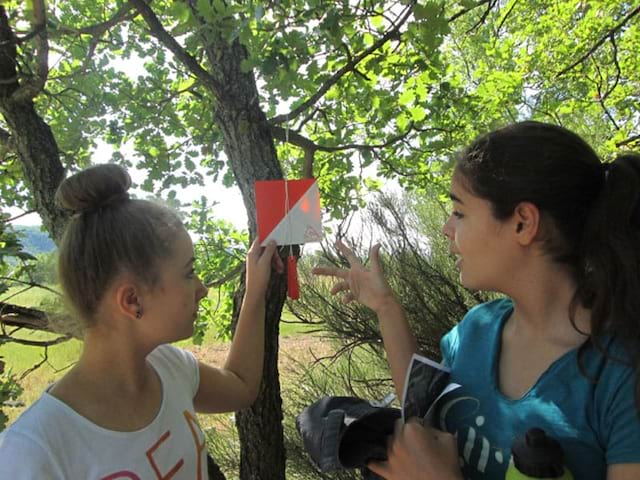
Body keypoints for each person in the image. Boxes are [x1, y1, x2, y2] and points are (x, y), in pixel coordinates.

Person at [314, 121, 640, 479]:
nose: (446, 229)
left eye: (460, 212)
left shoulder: (622, 376)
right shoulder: (478, 328)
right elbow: (418, 408)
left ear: (523, 223)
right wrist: (385, 307)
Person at [0, 164, 283, 479]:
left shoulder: (170, 367)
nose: (202, 288)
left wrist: (255, 289)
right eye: (188, 272)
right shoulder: (32, 453)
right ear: (132, 300)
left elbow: (240, 387)